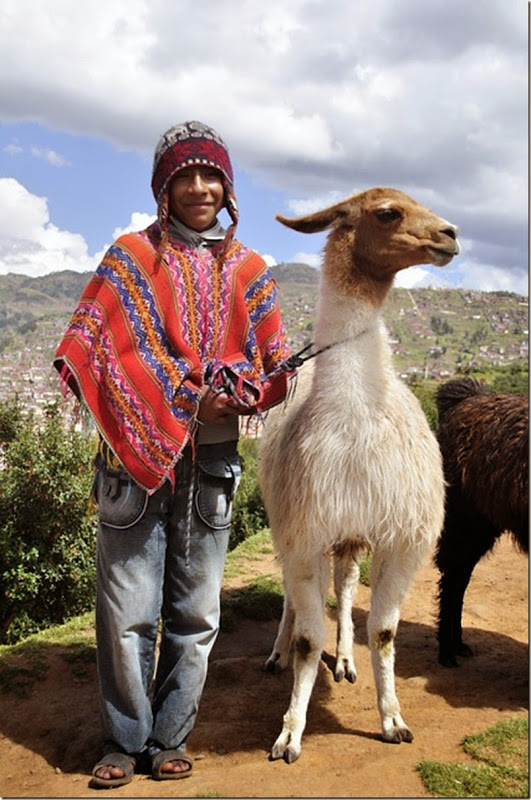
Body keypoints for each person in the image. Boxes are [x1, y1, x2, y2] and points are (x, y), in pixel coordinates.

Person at [54, 120, 293, 788]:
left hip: (212, 463)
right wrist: (175, 397)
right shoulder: (131, 258)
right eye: (182, 175)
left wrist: (239, 396)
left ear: (227, 185)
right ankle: (121, 740)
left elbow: (276, 365)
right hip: (130, 464)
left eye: (208, 174)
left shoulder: (249, 272)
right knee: (126, 609)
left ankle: (168, 737)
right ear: (163, 186)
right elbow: (89, 343)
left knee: (197, 612)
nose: (197, 187)